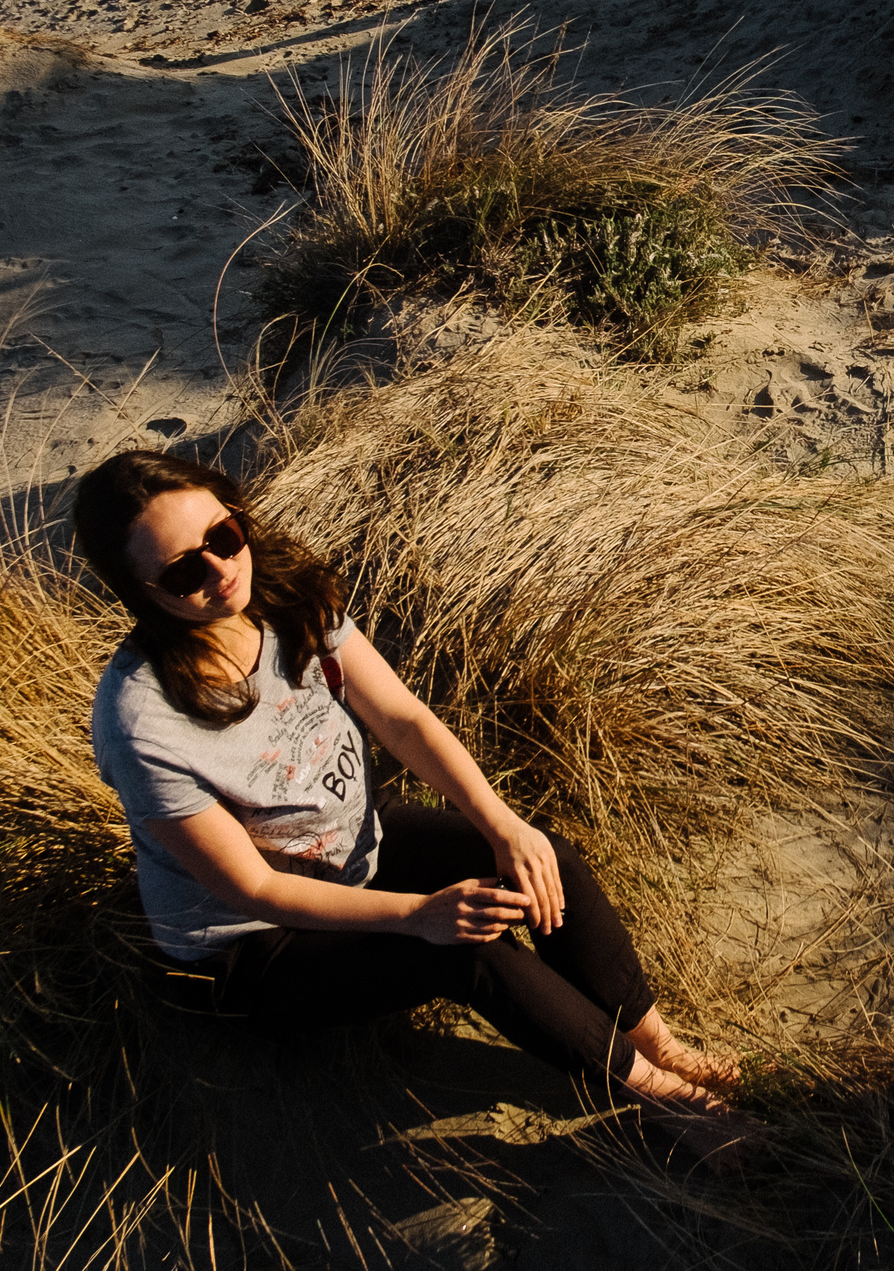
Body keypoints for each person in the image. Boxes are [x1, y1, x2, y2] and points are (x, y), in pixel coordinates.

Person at [72, 450, 747, 1159]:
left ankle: (660, 1041)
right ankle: (656, 1092)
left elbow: (404, 720)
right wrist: (417, 914)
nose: (220, 570)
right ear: (139, 590)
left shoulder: (285, 592)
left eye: (224, 535)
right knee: (464, 952)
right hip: (253, 945)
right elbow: (255, 886)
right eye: (183, 570)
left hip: (354, 841)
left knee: (539, 852)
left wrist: (502, 825)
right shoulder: (140, 719)